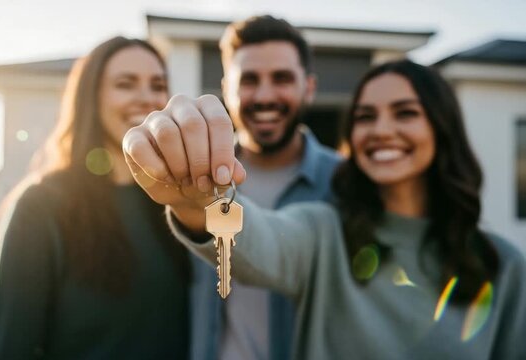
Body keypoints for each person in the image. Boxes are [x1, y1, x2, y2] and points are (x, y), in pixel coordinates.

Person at [123, 60, 526, 359]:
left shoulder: (504, 265)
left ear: (442, 127)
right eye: (365, 116)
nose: (381, 130)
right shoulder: (325, 230)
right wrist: (201, 203)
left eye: (405, 113)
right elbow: (259, 241)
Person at [0, 36, 191, 359]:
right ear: (91, 98)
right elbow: (9, 350)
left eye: (157, 85)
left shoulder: (176, 199)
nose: (146, 98)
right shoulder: (40, 207)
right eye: (125, 84)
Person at [190, 15, 341, 360]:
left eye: (282, 79)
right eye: (250, 80)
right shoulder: (197, 182)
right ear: (226, 88)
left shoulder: (347, 184)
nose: (265, 95)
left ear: (310, 87)